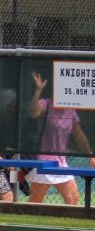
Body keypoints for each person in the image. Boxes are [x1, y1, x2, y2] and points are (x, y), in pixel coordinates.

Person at [26, 70, 95, 204]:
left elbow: (79, 135)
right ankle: (26, 217)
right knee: (36, 201)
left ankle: (66, 220)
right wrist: (38, 90)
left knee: (73, 198)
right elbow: (33, 112)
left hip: (61, 162)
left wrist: (90, 155)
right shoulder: (46, 104)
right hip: (44, 161)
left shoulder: (70, 110)